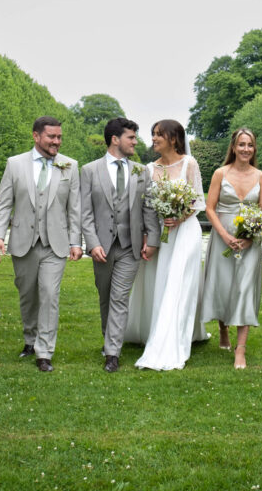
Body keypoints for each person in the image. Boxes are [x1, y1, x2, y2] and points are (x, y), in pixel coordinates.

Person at [0, 116, 82, 372]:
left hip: (56, 243)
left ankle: (44, 352)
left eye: (59, 137)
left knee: (50, 295)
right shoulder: (15, 164)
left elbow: (74, 209)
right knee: (28, 295)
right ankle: (30, 339)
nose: (56, 141)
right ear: (36, 136)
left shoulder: (70, 166)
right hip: (23, 241)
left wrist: (76, 242)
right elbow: (4, 203)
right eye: (51, 136)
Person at [80, 118, 160, 372]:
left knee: (119, 297)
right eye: (131, 137)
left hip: (130, 245)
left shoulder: (140, 171)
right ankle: (109, 341)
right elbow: (85, 212)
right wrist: (91, 244)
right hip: (101, 246)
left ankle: (113, 353)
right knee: (105, 297)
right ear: (115, 139)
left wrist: (153, 240)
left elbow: (148, 208)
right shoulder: (90, 170)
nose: (136, 142)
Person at [129, 119, 207, 371]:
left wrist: (179, 216)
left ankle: (174, 341)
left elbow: (197, 202)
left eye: (158, 134)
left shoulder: (189, 163)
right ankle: (167, 328)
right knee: (161, 283)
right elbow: (145, 205)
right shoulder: (149, 168)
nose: (153, 139)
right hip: (161, 234)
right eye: (152, 134)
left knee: (180, 283)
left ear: (173, 139)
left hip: (185, 232)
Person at [201, 128, 262, 369]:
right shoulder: (221, 173)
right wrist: (225, 235)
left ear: (254, 148)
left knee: (244, 290)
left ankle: (241, 349)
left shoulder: (260, 175)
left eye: (250, 145)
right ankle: (222, 328)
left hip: (249, 242)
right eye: (241, 144)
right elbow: (210, 208)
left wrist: (251, 238)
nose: (245, 149)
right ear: (233, 147)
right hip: (223, 237)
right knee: (223, 286)